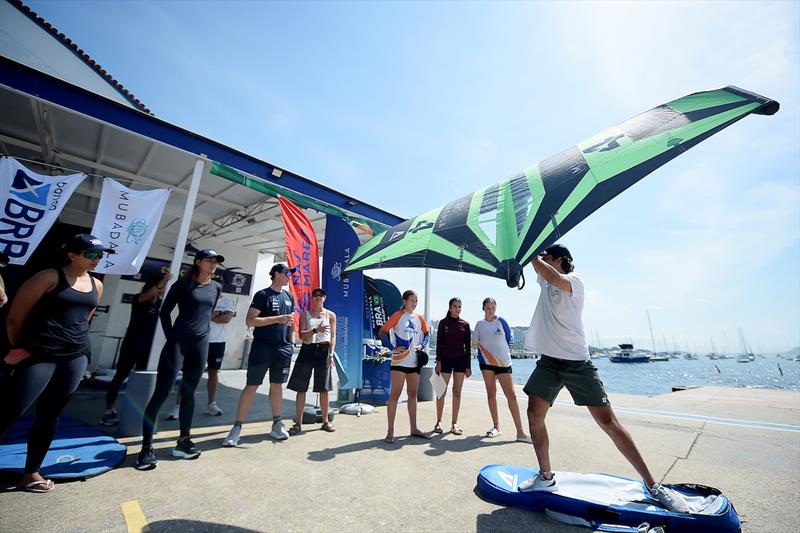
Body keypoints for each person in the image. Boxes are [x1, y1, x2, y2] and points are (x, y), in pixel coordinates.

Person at [518, 244, 689, 513]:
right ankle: (546, 477)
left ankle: (654, 486)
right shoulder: (545, 280)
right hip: (550, 361)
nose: (542, 262)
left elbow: (551, 276)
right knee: (534, 415)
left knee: (609, 422)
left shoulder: (574, 282)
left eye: (547, 258)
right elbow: (539, 272)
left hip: (577, 361)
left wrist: (530, 255)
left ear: (561, 260)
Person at [0, 234, 109, 492]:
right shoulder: (48, 277)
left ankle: (31, 473)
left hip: (76, 356)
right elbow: (15, 318)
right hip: (40, 354)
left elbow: (85, 318)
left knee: (50, 416)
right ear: (72, 254)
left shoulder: (97, 284)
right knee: (10, 411)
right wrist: (21, 348)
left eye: (100, 255)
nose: (97, 260)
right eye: (91, 254)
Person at [135, 249, 223, 470]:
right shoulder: (182, 284)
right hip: (178, 343)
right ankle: (146, 448)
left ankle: (183, 441)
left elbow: (206, 314)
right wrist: (172, 337)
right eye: (209, 260)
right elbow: (164, 313)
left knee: (190, 394)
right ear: (198, 262)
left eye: (216, 261)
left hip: (201, 345)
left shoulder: (216, 287)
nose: (213, 264)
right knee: (162, 393)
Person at [222, 263, 296, 447]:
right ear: (277, 274)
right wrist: (277, 319)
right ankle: (237, 428)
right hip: (262, 348)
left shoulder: (289, 296)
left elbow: (292, 320)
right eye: (287, 273)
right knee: (252, 385)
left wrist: (292, 340)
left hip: (283, 348)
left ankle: (277, 423)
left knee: (277, 385)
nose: (290, 276)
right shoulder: (262, 295)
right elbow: (250, 320)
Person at [101, 271, 171, 425]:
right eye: (161, 286)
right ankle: (109, 410)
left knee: (143, 378)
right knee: (121, 375)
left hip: (149, 347)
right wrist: (163, 281)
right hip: (133, 343)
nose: (163, 288)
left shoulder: (160, 304)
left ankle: (138, 412)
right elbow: (148, 294)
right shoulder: (139, 298)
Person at [164, 294, 236, 419]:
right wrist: (217, 314)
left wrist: (211, 315)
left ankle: (211, 404)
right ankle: (178, 407)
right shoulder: (203, 298)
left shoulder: (228, 301)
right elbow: (197, 316)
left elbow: (226, 319)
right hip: (198, 340)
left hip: (218, 342)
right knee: (189, 373)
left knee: (213, 372)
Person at [474, 297, 531, 443]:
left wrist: (506, 353)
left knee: (511, 395)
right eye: (488, 308)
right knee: (491, 393)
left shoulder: (501, 321)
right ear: (483, 309)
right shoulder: (479, 325)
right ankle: (496, 427)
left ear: (496, 308)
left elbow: (510, 339)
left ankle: (520, 432)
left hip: (503, 364)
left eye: (493, 307)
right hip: (486, 364)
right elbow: (475, 343)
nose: (490, 310)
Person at [379, 290, 431, 444]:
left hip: (415, 362)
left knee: (413, 395)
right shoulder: (397, 315)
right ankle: (390, 431)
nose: (414, 303)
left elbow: (427, 333)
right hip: (399, 362)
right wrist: (391, 347)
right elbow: (382, 332)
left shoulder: (419, 318)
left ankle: (414, 428)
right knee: (394, 395)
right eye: (412, 300)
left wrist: (422, 345)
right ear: (404, 301)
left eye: (416, 300)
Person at [287, 287, 337, 435]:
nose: (318, 297)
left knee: (324, 388)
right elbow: (301, 335)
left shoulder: (331, 315)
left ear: (324, 298)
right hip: (308, 350)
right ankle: (298, 423)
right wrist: (315, 330)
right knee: (301, 387)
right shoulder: (305, 315)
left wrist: (331, 353)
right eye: (315, 295)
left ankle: (326, 421)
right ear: (312, 298)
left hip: (323, 351)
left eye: (321, 295)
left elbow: (333, 336)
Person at [433, 297, 471, 436]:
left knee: (457, 392)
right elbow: (439, 344)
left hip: (460, 361)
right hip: (445, 360)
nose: (457, 308)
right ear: (450, 308)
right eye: (455, 306)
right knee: (441, 391)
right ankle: (438, 421)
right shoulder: (443, 323)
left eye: (459, 306)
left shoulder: (465, 325)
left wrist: (468, 366)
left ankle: (454, 424)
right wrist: (438, 361)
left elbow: (467, 347)